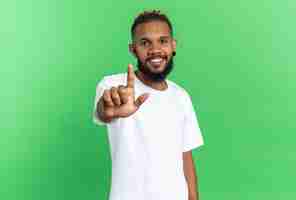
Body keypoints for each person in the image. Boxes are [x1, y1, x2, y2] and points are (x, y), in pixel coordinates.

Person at [92, 10, 204, 200]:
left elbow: (185, 156)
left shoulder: (181, 96)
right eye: (145, 43)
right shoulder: (113, 86)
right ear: (133, 49)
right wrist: (109, 109)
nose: (155, 49)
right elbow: (104, 112)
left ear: (173, 45)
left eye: (163, 41)